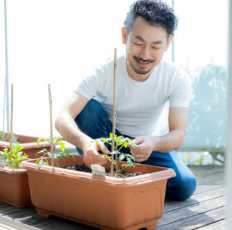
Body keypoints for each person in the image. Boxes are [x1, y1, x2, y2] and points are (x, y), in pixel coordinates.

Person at [55, 0, 196, 201]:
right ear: (124, 35)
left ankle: (114, 178)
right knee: (88, 110)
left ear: (168, 44)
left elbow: (178, 133)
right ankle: (105, 171)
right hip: (105, 140)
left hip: (145, 145)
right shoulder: (104, 71)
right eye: (138, 43)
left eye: (156, 46)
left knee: (184, 185)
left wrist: (154, 143)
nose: (145, 55)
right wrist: (86, 143)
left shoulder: (176, 78)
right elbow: (62, 117)